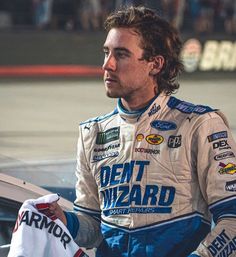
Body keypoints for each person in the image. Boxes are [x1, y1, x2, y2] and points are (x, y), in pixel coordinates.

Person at [49, 6, 236, 257]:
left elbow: (232, 220)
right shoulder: (92, 133)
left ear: (155, 64)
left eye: (121, 54)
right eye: (106, 52)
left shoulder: (200, 125)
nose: (107, 64)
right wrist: (65, 220)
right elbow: (92, 228)